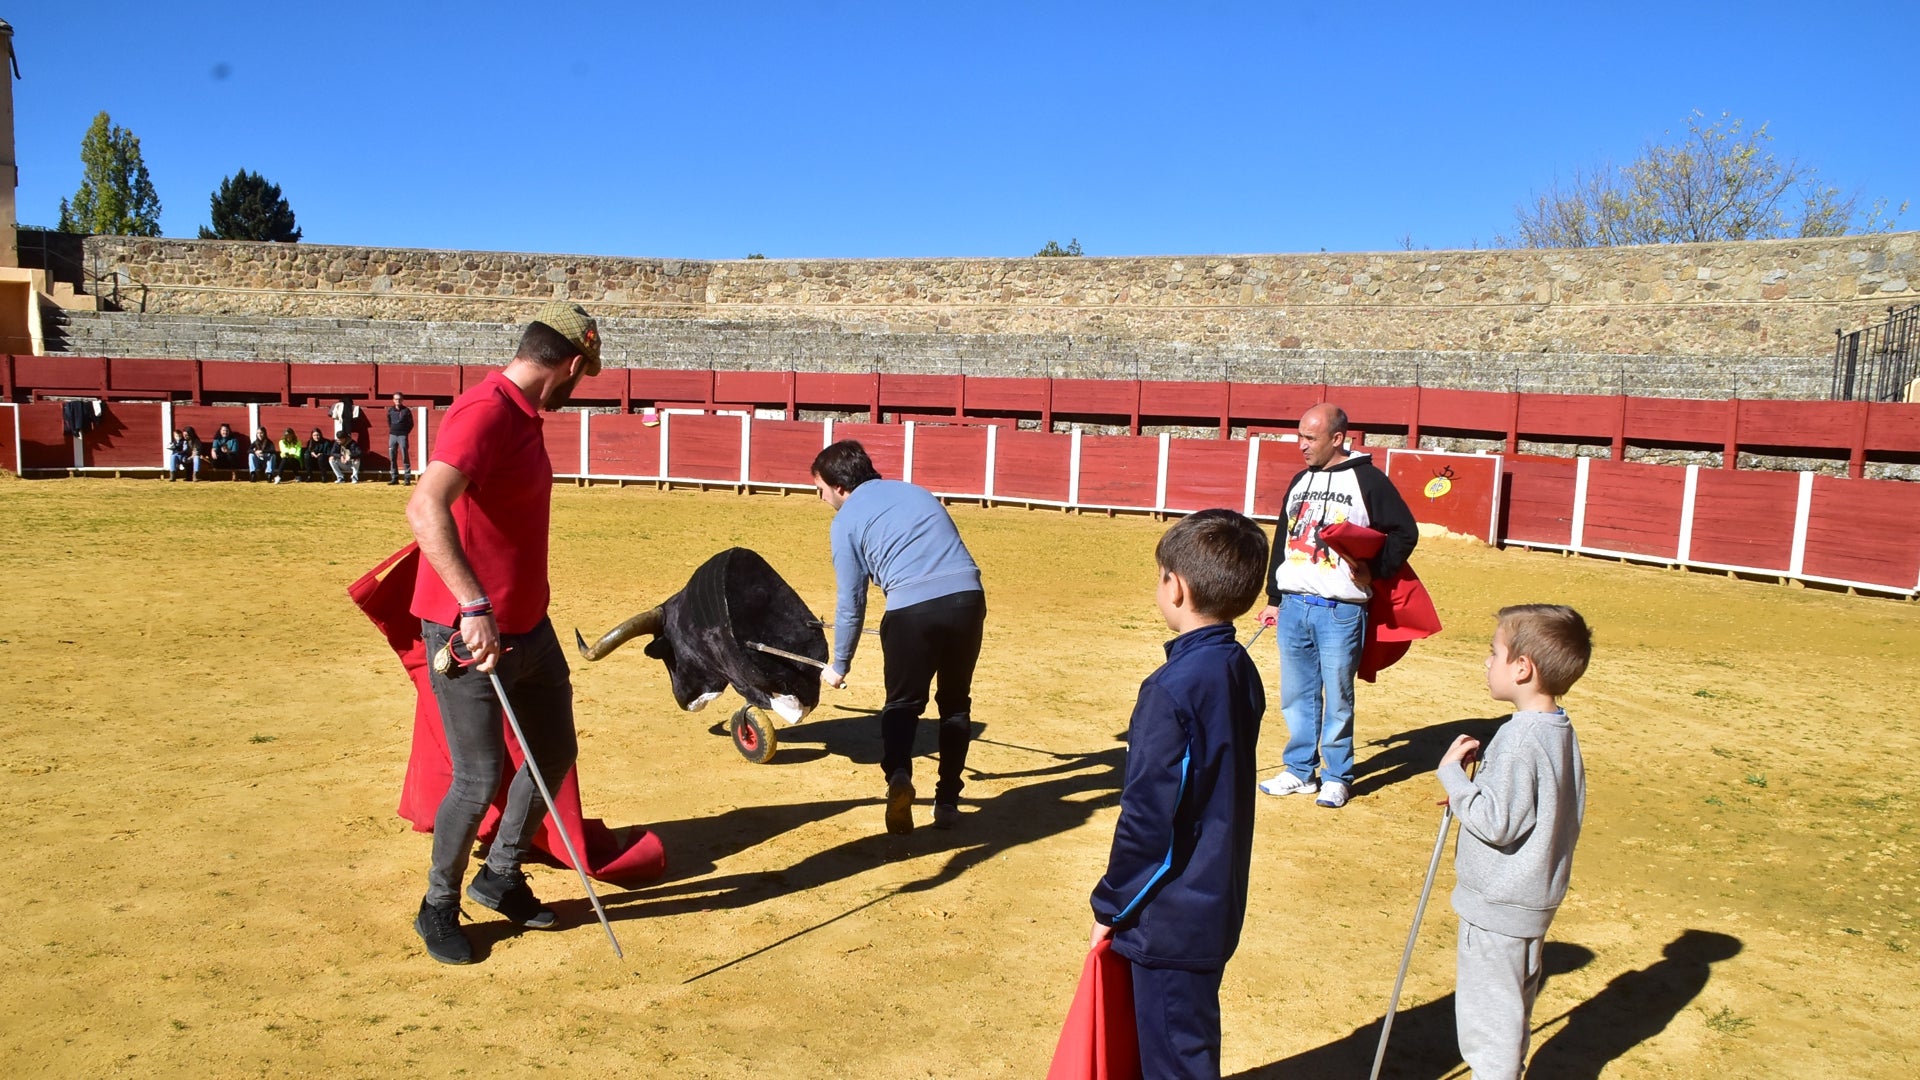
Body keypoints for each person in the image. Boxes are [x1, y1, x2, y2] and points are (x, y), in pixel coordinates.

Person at [405, 300, 603, 966]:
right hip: (470, 634)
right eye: (585, 377)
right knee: (478, 776)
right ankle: (437, 903)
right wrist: (472, 606)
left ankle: (502, 873)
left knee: (553, 750)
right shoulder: (486, 411)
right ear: (571, 365)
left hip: (530, 627)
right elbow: (424, 505)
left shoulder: (522, 415)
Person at [1087, 509, 1269, 1080]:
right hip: (1214, 896)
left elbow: (1149, 816)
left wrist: (1111, 904)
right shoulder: (1238, 666)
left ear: (1177, 587)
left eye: (1160, 576)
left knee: (1174, 1059)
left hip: (1169, 912)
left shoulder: (1171, 690)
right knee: (1181, 1044)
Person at [1437, 604, 1592, 1080]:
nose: (1487, 662)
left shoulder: (1521, 739)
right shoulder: (1558, 732)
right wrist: (1474, 793)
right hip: (1529, 901)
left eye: (1494, 653)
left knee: (1488, 1022)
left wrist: (1454, 780)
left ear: (1523, 668)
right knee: (1511, 1007)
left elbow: (1498, 822)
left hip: (1497, 905)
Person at [811, 439, 985, 834]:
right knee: (955, 705)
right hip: (968, 599)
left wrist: (839, 665)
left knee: (902, 705)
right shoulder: (915, 491)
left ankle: (899, 777)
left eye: (819, 489)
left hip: (911, 610)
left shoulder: (845, 522)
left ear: (839, 486)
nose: (821, 498)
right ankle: (947, 803)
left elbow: (851, 602)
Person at [1256, 403, 1417, 809]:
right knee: (1297, 694)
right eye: (1300, 436)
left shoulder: (1369, 481)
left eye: (1309, 438)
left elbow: (1404, 532)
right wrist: (1275, 599)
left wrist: (1375, 569)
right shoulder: (1300, 480)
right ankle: (1299, 771)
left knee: (1338, 696)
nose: (1301, 445)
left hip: (1340, 610)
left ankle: (1337, 776)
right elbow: (1283, 539)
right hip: (1294, 604)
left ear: (1338, 438)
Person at [387, 392, 416, 485]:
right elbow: (389, 422)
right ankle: (394, 478)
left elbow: (411, 424)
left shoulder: (406, 411)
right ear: (393, 400)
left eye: (399, 399)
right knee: (392, 457)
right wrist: (393, 430)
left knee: (405, 456)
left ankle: (407, 478)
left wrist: (405, 432)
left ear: (402, 400)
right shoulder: (390, 410)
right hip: (393, 435)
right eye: (396, 399)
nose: (397, 401)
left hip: (402, 435)